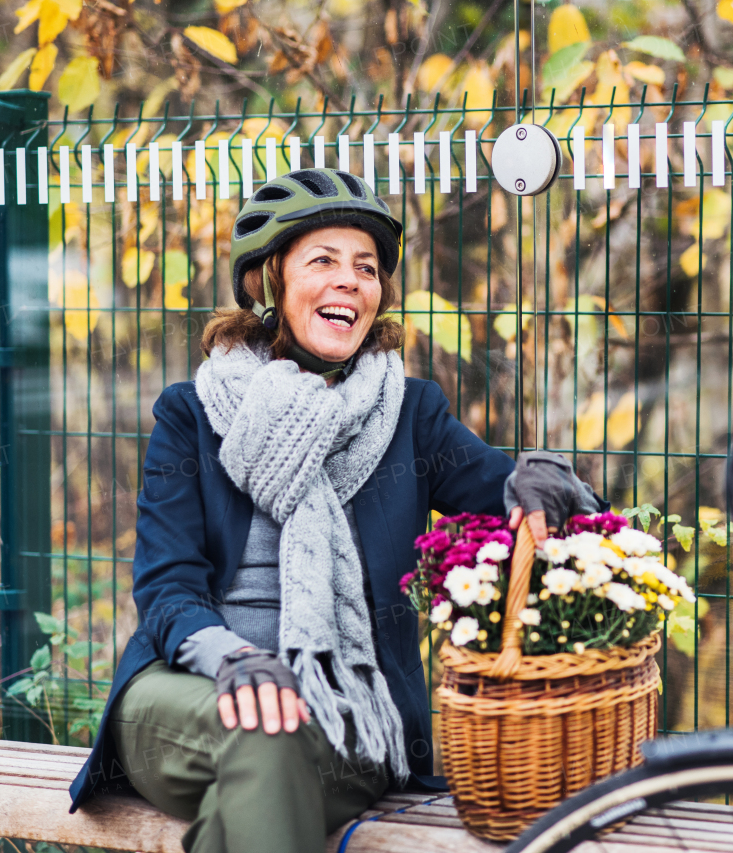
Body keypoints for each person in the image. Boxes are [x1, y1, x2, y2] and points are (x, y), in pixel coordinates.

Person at [65, 167, 604, 853]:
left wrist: (547, 483)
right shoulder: (191, 415)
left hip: (350, 720)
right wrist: (235, 659)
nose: (352, 280)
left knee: (260, 777)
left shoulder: (411, 416)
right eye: (323, 260)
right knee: (265, 729)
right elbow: (167, 588)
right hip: (189, 696)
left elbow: (512, 492)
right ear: (267, 281)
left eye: (367, 268)